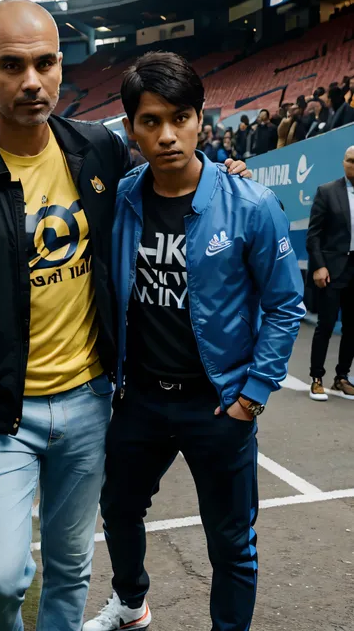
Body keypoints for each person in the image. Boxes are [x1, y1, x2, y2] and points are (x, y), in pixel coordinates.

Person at [0, 0, 249, 631]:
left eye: (44, 63)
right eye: (12, 66)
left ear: (62, 67)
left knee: (70, 568)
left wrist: (226, 178)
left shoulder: (98, 151)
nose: (31, 80)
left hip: (90, 403)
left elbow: (171, 181)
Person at [84, 52, 305, 631]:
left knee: (232, 544)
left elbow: (285, 307)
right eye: (150, 121)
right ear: (130, 128)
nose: (166, 135)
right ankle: (132, 602)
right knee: (119, 510)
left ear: (201, 118)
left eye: (179, 117)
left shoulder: (251, 205)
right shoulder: (121, 200)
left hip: (218, 403)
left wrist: (250, 398)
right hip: (139, 402)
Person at [306, 146, 354, 401]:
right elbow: (314, 235)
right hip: (332, 270)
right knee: (325, 325)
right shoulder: (327, 191)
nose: (353, 165)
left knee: (352, 329)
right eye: (350, 160)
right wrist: (319, 266)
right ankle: (316, 378)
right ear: (343, 162)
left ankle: (342, 377)